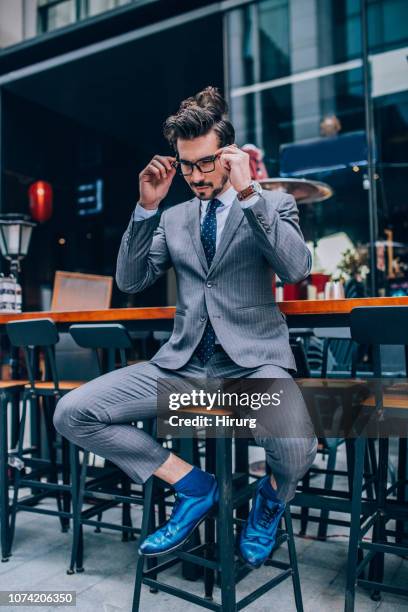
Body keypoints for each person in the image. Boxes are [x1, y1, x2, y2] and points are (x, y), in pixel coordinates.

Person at [54, 86, 317, 569]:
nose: (195, 176)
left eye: (206, 163)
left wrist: (248, 192)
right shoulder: (172, 218)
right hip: (182, 367)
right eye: (187, 165)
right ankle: (194, 486)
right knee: (72, 411)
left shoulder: (272, 203)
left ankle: (269, 502)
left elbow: (297, 268)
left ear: (230, 156)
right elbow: (131, 279)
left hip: (251, 366)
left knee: (299, 447)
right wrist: (146, 208)